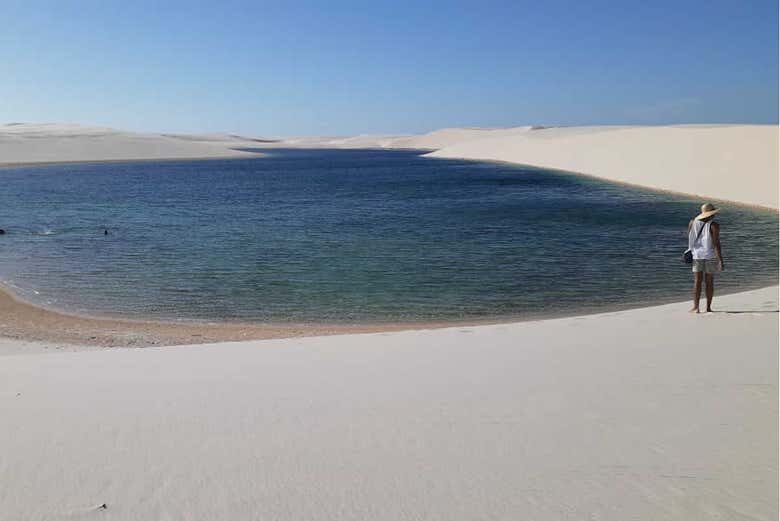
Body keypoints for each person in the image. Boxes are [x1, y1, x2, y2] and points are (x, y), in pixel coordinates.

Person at [688, 203, 724, 313]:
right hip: (710, 256)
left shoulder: (692, 223)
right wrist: (720, 260)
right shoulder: (714, 225)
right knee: (709, 282)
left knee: (697, 281)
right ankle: (708, 307)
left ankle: (696, 307)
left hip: (697, 255)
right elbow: (716, 243)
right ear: (710, 214)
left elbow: (690, 239)